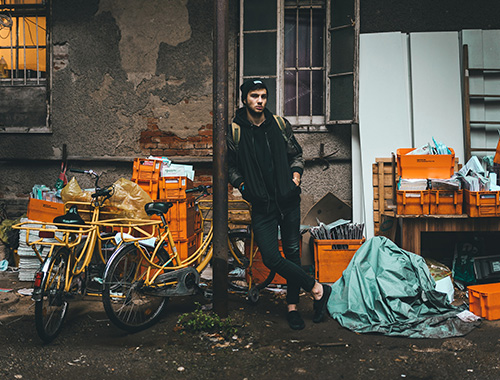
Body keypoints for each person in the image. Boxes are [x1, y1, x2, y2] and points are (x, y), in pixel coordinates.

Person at [227, 78, 332, 330]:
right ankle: (318, 289)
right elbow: (229, 166)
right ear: (245, 100)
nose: (260, 101)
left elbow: (296, 154)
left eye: (263, 96)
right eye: (254, 96)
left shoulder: (278, 124)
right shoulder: (235, 131)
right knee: (272, 257)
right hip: (262, 205)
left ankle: (293, 307)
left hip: (287, 200)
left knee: (293, 253)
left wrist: (295, 178)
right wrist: (243, 187)